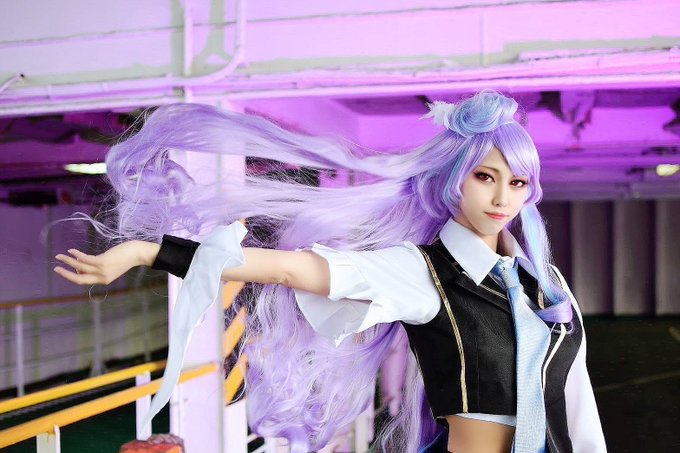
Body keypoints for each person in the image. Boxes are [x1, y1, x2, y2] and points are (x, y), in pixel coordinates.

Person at [53, 91, 606, 453]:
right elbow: (288, 270)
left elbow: (576, 398)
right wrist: (148, 252)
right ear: (454, 180)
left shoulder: (548, 287)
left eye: (517, 183)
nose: (502, 197)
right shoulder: (419, 271)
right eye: (485, 177)